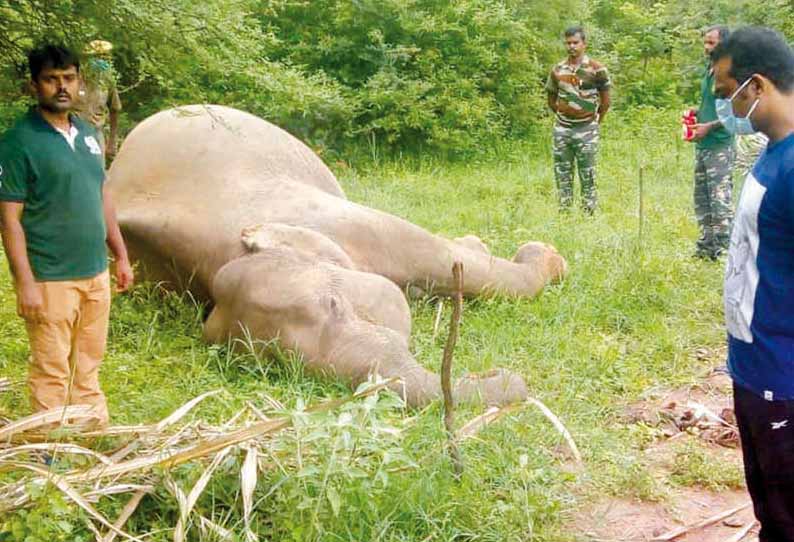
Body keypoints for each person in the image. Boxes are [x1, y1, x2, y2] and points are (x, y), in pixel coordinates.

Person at [0, 44, 134, 427]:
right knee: (51, 368)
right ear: (33, 86)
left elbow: (103, 195)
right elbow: (9, 222)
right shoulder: (17, 143)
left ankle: (91, 435)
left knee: (88, 362)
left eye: (69, 78)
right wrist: (25, 282)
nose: (62, 87)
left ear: (79, 82)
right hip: (50, 277)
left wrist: (120, 256)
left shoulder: (90, 134)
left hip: (95, 273)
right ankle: (50, 450)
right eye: (51, 79)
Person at [713, 26, 794, 540]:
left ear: (756, 86)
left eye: (727, 94)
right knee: (771, 511)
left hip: (782, 380)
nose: (727, 107)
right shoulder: (772, 151)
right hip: (752, 362)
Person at [545, 26, 611, 214]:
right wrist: (562, 114)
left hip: (587, 128)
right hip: (562, 129)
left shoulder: (597, 69)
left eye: (575, 43)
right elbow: (551, 96)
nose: (572, 46)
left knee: (587, 172)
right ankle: (564, 211)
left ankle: (588, 212)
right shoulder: (557, 69)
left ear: (584, 44)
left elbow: (605, 101)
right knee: (562, 171)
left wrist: (596, 121)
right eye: (568, 43)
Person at [688, 25, 735, 260]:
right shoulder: (710, 69)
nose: (706, 48)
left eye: (711, 43)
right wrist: (696, 112)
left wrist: (710, 126)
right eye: (705, 43)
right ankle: (706, 246)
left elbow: (735, 112)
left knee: (720, 199)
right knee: (702, 197)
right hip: (703, 144)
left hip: (720, 144)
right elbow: (713, 104)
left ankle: (725, 250)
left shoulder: (731, 72)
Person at [74, 40, 122, 162]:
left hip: (95, 134)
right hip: (73, 132)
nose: (100, 60)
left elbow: (115, 109)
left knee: (97, 175)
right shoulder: (74, 79)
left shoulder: (107, 80)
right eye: (96, 56)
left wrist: (112, 141)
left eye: (104, 57)